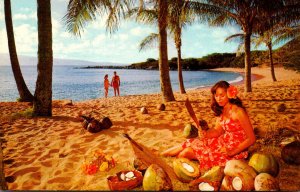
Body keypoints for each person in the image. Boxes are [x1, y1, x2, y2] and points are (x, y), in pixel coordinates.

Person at [161, 81, 256, 170]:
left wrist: (232, 151)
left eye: (222, 95)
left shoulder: (238, 111)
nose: (218, 98)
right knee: (190, 142)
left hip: (235, 148)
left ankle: (170, 164)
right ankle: (160, 155)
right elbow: (217, 131)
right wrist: (205, 134)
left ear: (229, 94)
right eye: (216, 95)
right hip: (224, 141)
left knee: (185, 153)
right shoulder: (222, 110)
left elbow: (251, 138)